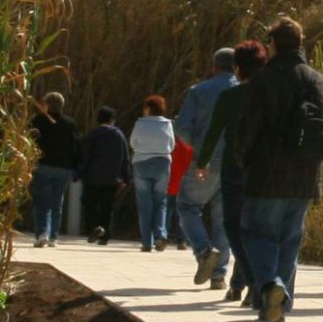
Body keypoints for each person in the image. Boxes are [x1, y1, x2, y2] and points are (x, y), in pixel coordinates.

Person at [235, 17, 323, 322]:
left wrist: (242, 159)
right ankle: (277, 306)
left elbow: (249, 126)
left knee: (255, 232)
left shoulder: (264, 79)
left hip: (267, 173)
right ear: (301, 44)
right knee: (289, 240)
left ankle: (270, 285)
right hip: (305, 175)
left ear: (273, 45)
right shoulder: (317, 80)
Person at [194, 39, 269, 305]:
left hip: (233, 167)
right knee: (254, 228)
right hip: (263, 170)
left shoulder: (230, 97)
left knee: (233, 227)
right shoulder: (268, 96)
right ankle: (241, 284)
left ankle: (253, 282)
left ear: (238, 68)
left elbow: (214, 132)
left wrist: (202, 162)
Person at [173, 48, 239, 288]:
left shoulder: (199, 91)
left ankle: (203, 252)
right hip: (236, 163)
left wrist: (196, 147)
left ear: (214, 66)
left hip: (205, 161)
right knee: (223, 219)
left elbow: (181, 127)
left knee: (187, 205)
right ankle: (219, 276)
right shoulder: (245, 90)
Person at [29, 91, 80, 247]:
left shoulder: (38, 121)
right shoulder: (70, 124)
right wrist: (76, 167)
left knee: (41, 202)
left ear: (46, 105)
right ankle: (53, 237)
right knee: (57, 202)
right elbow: (75, 147)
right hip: (63, 168)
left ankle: (42, 233)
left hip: (42, 165)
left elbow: (30, 142)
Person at [78, 106, 131, 244]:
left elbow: (85, 155)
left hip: (92, 177)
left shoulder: (93, 134)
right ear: (112, 119)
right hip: (112, 178)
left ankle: (95, 227)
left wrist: (81, 173)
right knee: (107, 207)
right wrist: (125, 177)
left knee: (89, 203)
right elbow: (125, 158)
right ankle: (105, 236)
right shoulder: (119, 135)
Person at [129, 94, 175, 251]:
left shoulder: (140, 123)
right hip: (162, 162)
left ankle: (146, 242)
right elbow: (171, 145)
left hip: (141, 162)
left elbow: (133, 143)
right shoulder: (167, 124)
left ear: (148, 108)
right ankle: (160, 235)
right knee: (161, 201)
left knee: (144, 203)